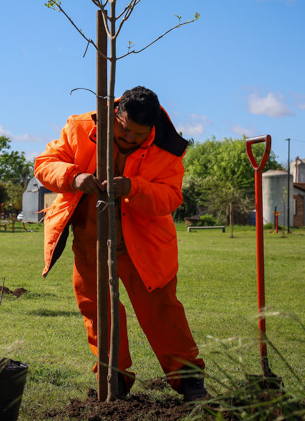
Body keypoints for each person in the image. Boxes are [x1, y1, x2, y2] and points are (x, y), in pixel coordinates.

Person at [34, 86, 209, 402]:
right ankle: (114, 377)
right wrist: (74, 178)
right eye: (124, 130)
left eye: (138, 135)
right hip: (90, 240)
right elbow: (45, 163)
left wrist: (135, 187)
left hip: (145, 244)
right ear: (115, 114)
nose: (129, 139)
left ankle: (190, 381)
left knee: (163, 312)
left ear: (152, 129)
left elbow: (171, 197)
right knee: (98, 310)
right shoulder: (80, 127)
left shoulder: (168, 147)